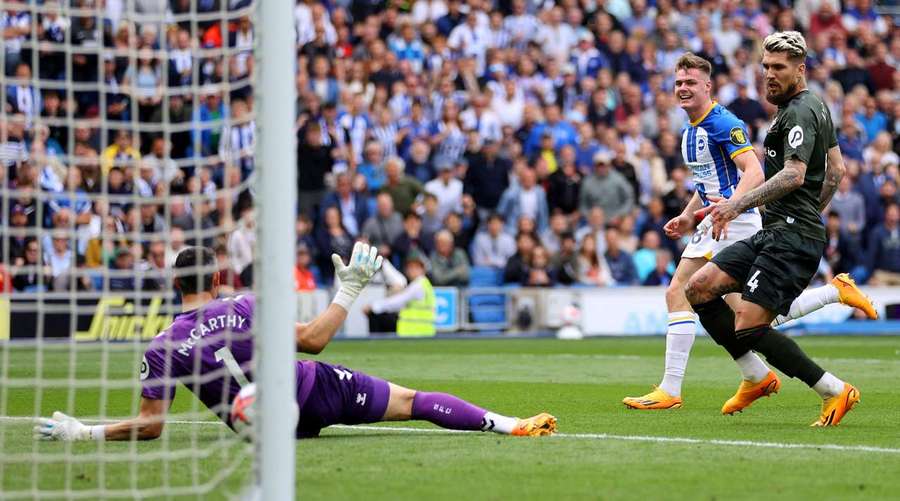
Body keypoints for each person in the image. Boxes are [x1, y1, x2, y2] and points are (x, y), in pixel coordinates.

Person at [34, 245, 557, 442]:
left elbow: (151, 428)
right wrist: (348, 290)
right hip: (313, 392)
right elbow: (314, 340)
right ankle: (511, 425)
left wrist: (87, 432)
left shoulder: (160, 346)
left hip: (258, 428)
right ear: (217, 281)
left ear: (176, 287)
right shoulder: (243, 306)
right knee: (414, 402)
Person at [623, 51, 876, 412]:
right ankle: (821, 306)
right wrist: (686, 216)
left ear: (708, 86)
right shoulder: (690, 129)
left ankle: (680, 386)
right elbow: (706, 183)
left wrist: (731, 208)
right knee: (727, 306)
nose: (683, 89)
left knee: (723, 306)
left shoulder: (723, 122)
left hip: (734, 221)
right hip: (715, 219)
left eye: (691, 82)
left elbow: (754, 172)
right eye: (678, 83)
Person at [682, 32, 869, 426]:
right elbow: (837, 170)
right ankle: (754, 375)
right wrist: (810, 214)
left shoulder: (799, 111)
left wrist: (736, 205)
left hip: (789, 237)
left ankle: (834, 390)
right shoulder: (810, 106)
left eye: (779, 68)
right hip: (779, 231)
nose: (769, 75)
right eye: (766, 66)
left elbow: (794, 175)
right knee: (698, 288)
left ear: (800, 70)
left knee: (749, 325)